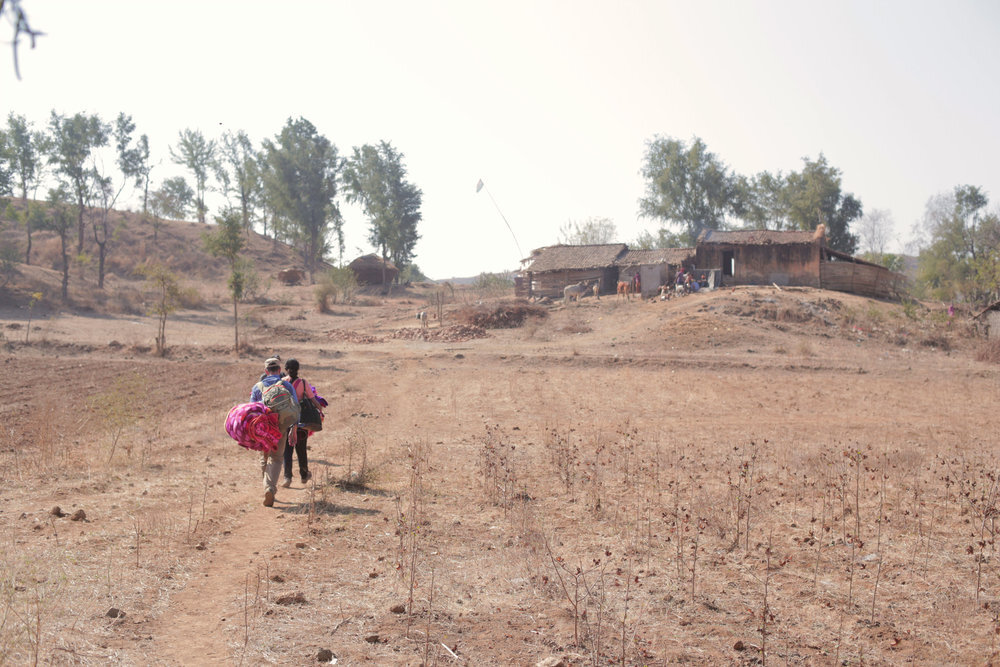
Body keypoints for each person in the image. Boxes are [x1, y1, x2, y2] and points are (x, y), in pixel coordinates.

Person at [250, 357, 299, 507]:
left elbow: (251, 410)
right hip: (281, 426)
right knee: (277, 458)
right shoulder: (286, 385)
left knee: (264, 457)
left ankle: (266, 486)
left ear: (266, 371)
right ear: (279, 370)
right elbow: (296, 408)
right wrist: (294, 429)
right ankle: (270, 487)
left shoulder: (257, 387)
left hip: (263, 429)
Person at [282, 358, 319, 487]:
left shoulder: (282, 383)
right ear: (298, 369)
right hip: (301, 422)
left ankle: (287, 477)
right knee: (301, 449)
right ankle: (304, 475)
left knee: (287, 450)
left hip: (286, 421)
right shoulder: (303, 383)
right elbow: (312, 399)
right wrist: (319, 410)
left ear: (286, 369)